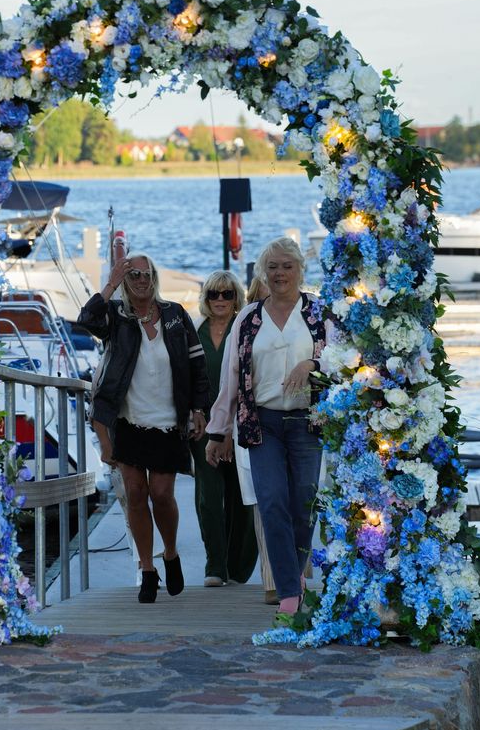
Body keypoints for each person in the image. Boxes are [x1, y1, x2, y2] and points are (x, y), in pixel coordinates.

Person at [78, 252, 209, 604]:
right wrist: (109, 282)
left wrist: (198, 409)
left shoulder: (175, 315)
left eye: (145, 273)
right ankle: (148, 570)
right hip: (128, 421)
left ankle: (170, 553)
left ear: (154, 277)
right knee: (136, 495)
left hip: (168, 422)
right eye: (132, 274)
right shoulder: (116, 318)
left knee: (162, 495)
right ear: (124, 279)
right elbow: (86, 319)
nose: (140, 280)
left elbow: (197, 367)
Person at [205, 236, 325, 616]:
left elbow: (343, 360)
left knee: (303, 506)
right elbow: (231, 378)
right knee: (271, 503)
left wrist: (313, 366)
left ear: (299, 270)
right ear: (263, 273)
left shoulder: (318, 313)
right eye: (272, 267)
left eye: (287, 266)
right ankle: (289, 593)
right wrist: (218, 430)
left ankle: (295, 575)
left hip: (308, 422)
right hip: (262, 424)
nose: (279, 273)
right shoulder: (248, 317)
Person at [191, 270, 258, 587]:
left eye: (227, 294)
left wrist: (233, 426)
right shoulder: (194, 330)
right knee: (208, 495)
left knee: (240, 494)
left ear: (237, 298)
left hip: (240, 421)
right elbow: (182, 376)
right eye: (213, 294)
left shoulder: (245, 329)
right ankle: (215, 565)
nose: (220, 300)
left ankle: (238, 567)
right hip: (201, 423)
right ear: (205, 298)